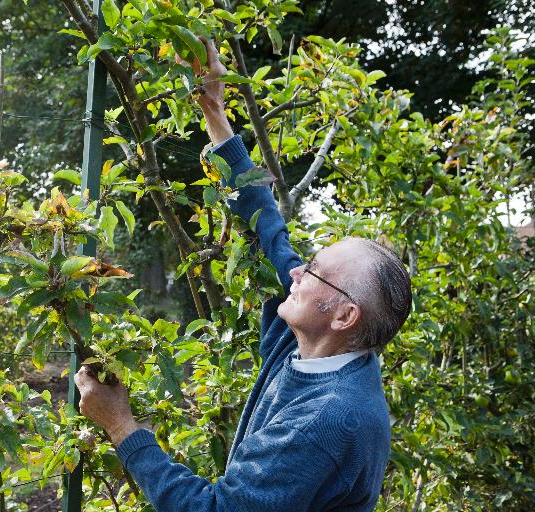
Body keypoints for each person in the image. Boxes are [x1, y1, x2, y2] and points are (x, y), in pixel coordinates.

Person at [75, 40, 412, 512]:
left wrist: (121, 427)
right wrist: (214, 109)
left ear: (344, 315)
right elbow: (268, 235)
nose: (296, 269)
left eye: (314, 270)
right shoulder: (320, 344)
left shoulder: (330, 419)